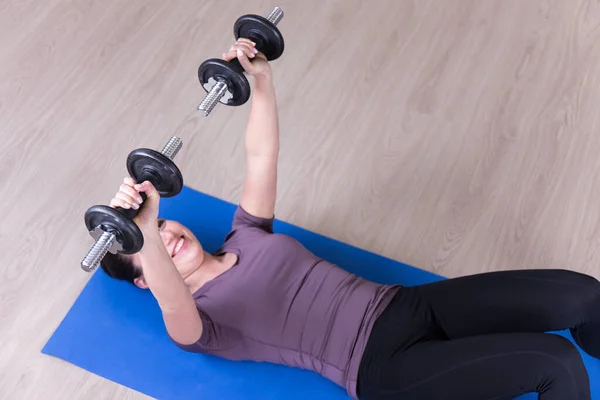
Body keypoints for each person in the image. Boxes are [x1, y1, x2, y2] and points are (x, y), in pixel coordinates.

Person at [101, 39, 600, 400]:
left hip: (411, 306)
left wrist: (262, 84)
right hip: (383, 367)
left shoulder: (247, 234)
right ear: (145, 279)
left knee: (584, 294)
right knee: (554, 365)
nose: (166, 236)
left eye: (164, 227)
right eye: (151, 247)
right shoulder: (196, 323)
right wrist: (142, 231)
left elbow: (261, 158)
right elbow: (171, 294)